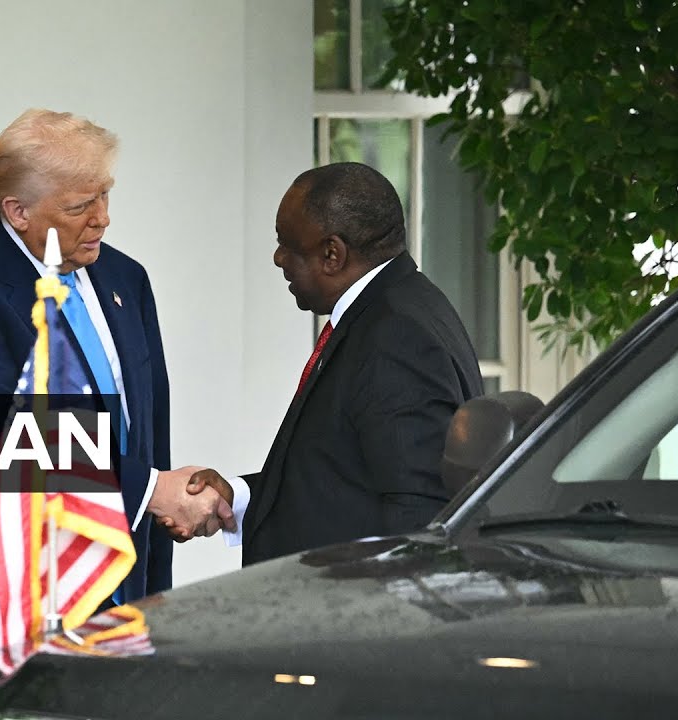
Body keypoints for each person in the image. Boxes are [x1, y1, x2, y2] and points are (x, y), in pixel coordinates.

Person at [0, 108, 232, 720]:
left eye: (105, 196)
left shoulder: (126, 278)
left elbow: (144, 425)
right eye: (81, 205)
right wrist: (154, 490)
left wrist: (161, 538)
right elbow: (4, 435)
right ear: (18, 212)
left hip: (116, 601)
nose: (102, 217)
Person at [160, 162, 483, 565]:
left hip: (350, 614)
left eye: (287, 245)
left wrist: (144, 490)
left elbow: (415, 516)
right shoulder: (403, 304)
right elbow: (341, 482)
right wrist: (239, 499)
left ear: (332, 254)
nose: (278, 259)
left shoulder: (396, 334)